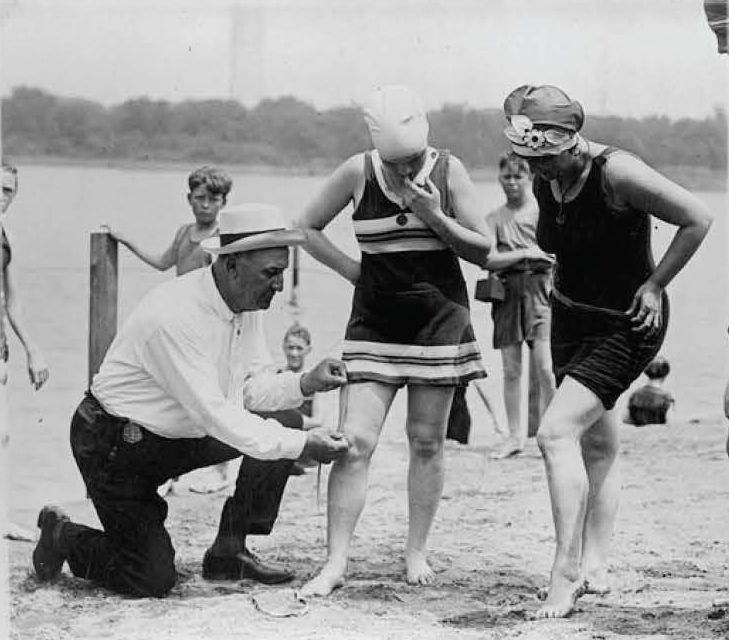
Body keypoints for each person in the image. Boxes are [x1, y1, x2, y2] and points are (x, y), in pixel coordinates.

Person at [31, 204, 350, 597]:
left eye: (283, 272)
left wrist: (305, 383)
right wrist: (305, 446)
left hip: (177, 436)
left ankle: (229, 551)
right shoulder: (174, 316)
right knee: (149, 579)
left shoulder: (244, 301)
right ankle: (62, 535)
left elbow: (249, 390)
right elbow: (217, 415)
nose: (280, 285)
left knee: (285, 420)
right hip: (115, 446)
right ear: (231, 266)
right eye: (272, 273)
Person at [502, 85, 712, 618]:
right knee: (597, 446)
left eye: (544, 160)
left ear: (572, 143)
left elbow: (697, 217)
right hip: (571, 318)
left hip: (628, 323)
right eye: (530, 161)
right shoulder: (549, 176)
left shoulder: (617, 172)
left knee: (553, 433)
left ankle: (565, 571)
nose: (537, 171)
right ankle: (595, 564)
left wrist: (656, 284)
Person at [296, 85, 493, 596]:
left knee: (426, 443)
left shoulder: (449, 171)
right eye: (396, 163)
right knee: (354, 443)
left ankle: (416, 550)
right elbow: (306, 228)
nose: (405, 173)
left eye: (411, 161)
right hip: (375, 323)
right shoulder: (357, 171)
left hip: (438, 323)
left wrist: (433, 214)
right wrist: (355, 272)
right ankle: (336, 561)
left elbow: (484, 251)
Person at [105, 165, 234, 495]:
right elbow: (163, 262)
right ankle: (169, 475)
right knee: (170, 397)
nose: (206, 205)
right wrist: (127, 239)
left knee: (210, 395)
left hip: (207, 325)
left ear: (223, 202)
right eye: (200, 198)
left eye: (214, 199)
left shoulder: (222, 238)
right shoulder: (183, 232)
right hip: (178, 321)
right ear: (189, 198)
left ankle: (220, 471)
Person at [484, 152, 556, 459]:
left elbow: (554, 253)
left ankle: (552, 431)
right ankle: (514, 436)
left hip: (542, 290)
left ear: (529, 178)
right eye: (507, 177)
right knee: (511, 369)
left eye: (518, 176)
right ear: (499, 179)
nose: (512, 183)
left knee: (545, 367)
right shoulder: (494, 218)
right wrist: (526, 254)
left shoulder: (541, 214)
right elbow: (488, 259)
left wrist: (536, 256)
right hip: (508, 292)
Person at [1, 163, 50, 542]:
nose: (3, 198)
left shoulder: (6, 235)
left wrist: (32, 351)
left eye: (9, 191)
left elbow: (12, 302)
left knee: (2, 435)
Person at [280, 322, 323, 475]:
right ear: (283, 347)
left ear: (308, 350)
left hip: (303, 452)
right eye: (290, 347)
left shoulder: (314, 380)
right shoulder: (276, 377)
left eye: (299, 348)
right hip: (279, 446)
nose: (294, 353)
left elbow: (318, 421)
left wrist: (289, 419)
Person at [626, 356, 674, 426]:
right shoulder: (666, 398)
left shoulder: (635, 395)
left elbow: (626, 419)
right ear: (665, 375)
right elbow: (669, 422)